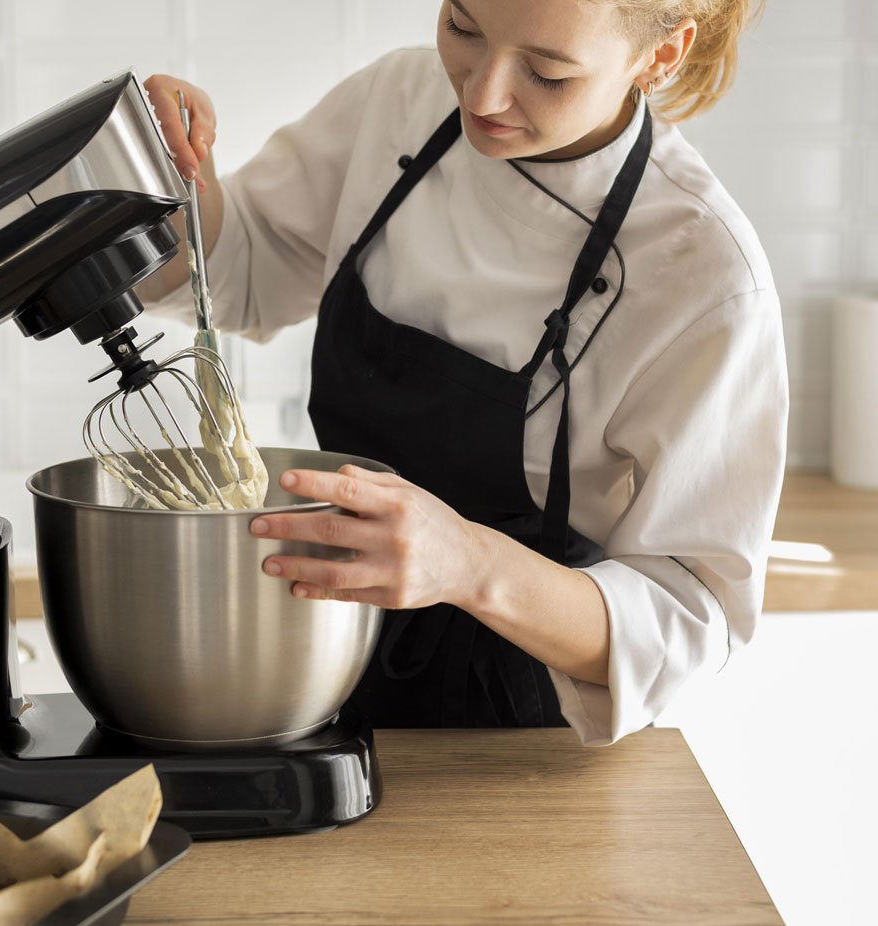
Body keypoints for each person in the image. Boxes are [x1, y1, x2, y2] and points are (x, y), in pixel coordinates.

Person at [141, 0, 786, 745]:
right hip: (316, 660)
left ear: (661, 56)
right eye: (463, 27)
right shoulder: (401, 100)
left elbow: (690, 617)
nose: (481, 96)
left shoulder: (702, 271)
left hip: (516, 739)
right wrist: (172, 179)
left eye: (546, 74)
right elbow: (246, 269)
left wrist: (469, 563)